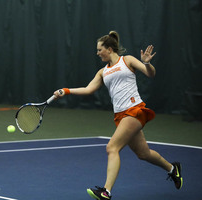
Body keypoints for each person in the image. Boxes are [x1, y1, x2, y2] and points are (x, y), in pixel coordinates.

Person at [53, 31, 183, 200]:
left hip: (134, 110)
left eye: (100, 50)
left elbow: (150, 74)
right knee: (143, 153)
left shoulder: (127, 60)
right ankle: (173, 169)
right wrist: (66, 91)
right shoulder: (102, 72)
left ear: (109, 49)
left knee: (111, 148)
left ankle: (106, 192)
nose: (97, 53)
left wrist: (147, 63)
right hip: (120, 116)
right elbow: (88, 89)